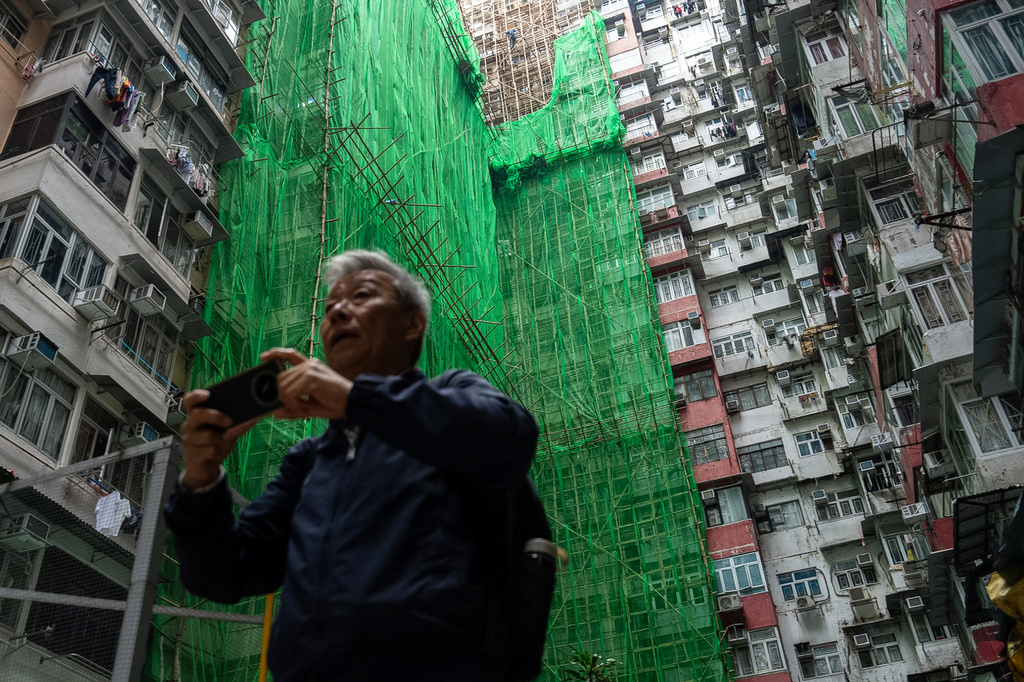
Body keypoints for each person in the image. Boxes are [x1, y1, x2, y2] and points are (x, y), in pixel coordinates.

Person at [163, 250, 539, 681]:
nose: (339, 311)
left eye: (362, 296)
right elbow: (224, 575)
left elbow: (509, 438)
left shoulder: (456, 394)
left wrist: (353, 399)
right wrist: (200, 480)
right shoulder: (307, 462)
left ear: (413, 322)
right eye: (329, 308)